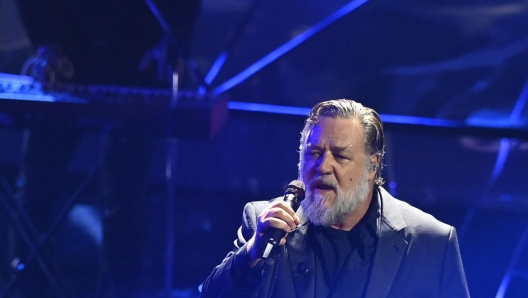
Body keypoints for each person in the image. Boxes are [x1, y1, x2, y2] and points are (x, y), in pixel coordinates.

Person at [201, 99, 470, 298]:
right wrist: (251, 255)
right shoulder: (264, 224)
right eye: (313, 153)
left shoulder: (430, 240)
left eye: (340, 156)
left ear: (372, 166)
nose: (323, 166)